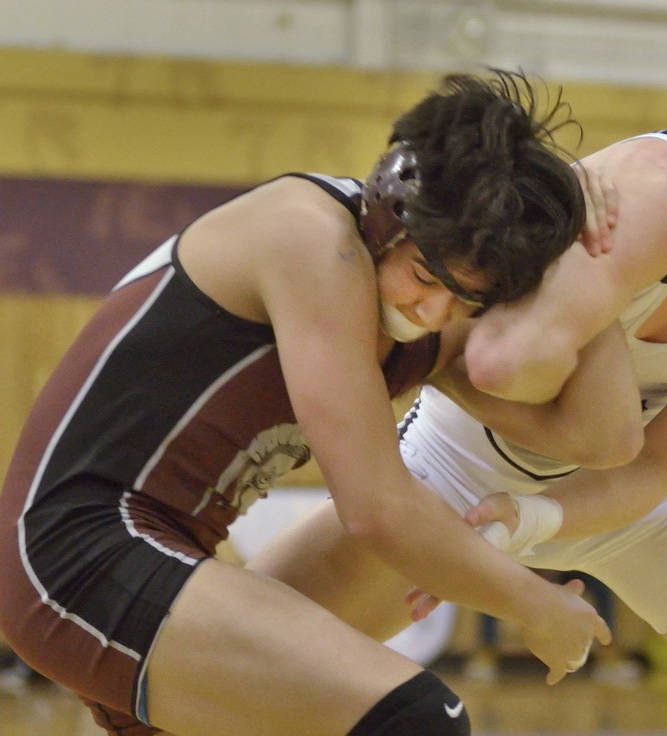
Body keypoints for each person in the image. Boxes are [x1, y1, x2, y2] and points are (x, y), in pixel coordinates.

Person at [248, 20, 667, 736]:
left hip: (641, 503)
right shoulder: (657, 191)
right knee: (231, 657)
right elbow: (498, 363)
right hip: (463, 466)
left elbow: (660, 464)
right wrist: (577, 308)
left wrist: (536, 521)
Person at [0, 69, 621, 736]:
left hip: (174, 559)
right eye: (424, 275)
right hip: (75, 548)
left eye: (468, 299)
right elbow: (376, 507)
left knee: (420, 557)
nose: (434, 309)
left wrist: (595, 271)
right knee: (417, 717)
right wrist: (536, 605)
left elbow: (601, 438)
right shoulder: (309, 238)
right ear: (387, 215)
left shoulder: (421, 327)